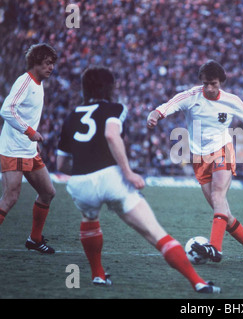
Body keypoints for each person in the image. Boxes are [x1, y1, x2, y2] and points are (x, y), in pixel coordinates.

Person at [56, 66, 220, 293]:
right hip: (110, 178)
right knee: (155, 233)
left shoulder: (71, 116)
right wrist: (128, 173)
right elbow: (111, 134)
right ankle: (198, 283)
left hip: (80, 183)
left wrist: (86, 168)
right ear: (110, 88)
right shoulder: (116, 108)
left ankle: (98, 276)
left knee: (89, 218)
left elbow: (61, 165)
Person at [147, 60, 243, 264]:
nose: (209, 88)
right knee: (221, 209)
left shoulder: (232, 101)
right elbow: (163, 108)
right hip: (199, 158)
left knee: (218, 195)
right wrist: (153, 117)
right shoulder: (190, 96)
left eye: (213, 83)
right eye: (205, 83)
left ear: (221, 82)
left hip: (223, 149)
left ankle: (215, 248)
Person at [0, 43, 57, 254]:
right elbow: (6, 110)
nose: (51, 68)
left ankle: (34, 239)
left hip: (28, 149)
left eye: (52, 64)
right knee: (11, 197)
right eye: (47, 63)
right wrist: (29, 132)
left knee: (48, 192)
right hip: (13, 148)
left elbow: (26, 114)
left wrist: (32, 141)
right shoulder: (25, 82)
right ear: (35, 63)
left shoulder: (39, 83)